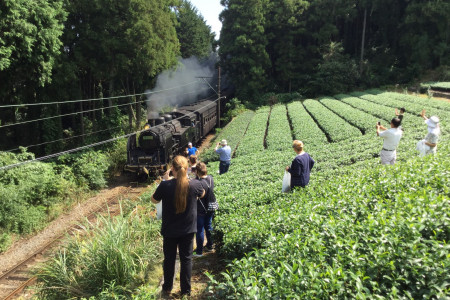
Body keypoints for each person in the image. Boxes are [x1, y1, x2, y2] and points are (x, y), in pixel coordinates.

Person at [151, 156, 205, 297]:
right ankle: (186, 291)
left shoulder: (165, 186)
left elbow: (153, 200)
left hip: (169, 231)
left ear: (172, 169)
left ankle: (167, 288)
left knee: (169, 259)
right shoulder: (194, 185)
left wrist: (165, 180)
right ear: (187, 169)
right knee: (186, 259)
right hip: (188, 230)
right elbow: (202, 193)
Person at [193, 162, 215, 256]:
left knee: (200, 229)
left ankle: (199, 251)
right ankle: (210, 246)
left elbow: (197, 196)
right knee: (209, 226)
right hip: (211, 207)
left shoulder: (199, 183)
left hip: (201, 209)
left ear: (197, 171)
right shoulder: (210, 178)